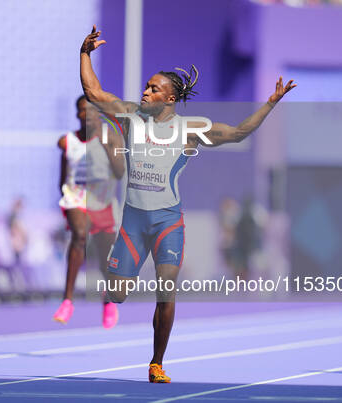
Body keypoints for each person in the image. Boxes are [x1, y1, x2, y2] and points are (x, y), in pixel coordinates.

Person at [80, 25, 296, 382]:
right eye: (146, 86)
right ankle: (116, 286)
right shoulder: (130, 116)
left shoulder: (190, 129)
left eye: (153, 88)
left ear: (169, 98)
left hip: (168, 222)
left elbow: (239, 132)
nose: (145, 91)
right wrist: (84, 53)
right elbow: (93, 91)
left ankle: (156, 363)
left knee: (166, 289)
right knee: (117, 294)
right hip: (133, 220)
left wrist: (270, 104)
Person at [52, 95, 125, 329]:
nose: (88, 115)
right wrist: (66, 199)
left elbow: (120, 172)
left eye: (92, 111)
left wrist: (106, 147)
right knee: (80, 235)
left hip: (102, 200)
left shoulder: (109, 138)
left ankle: (108, 300)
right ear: (78, 115)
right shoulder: (67, 142)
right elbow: (62, 176)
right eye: (83, 111)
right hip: (77, 197)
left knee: (105, 258)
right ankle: (67, 300)